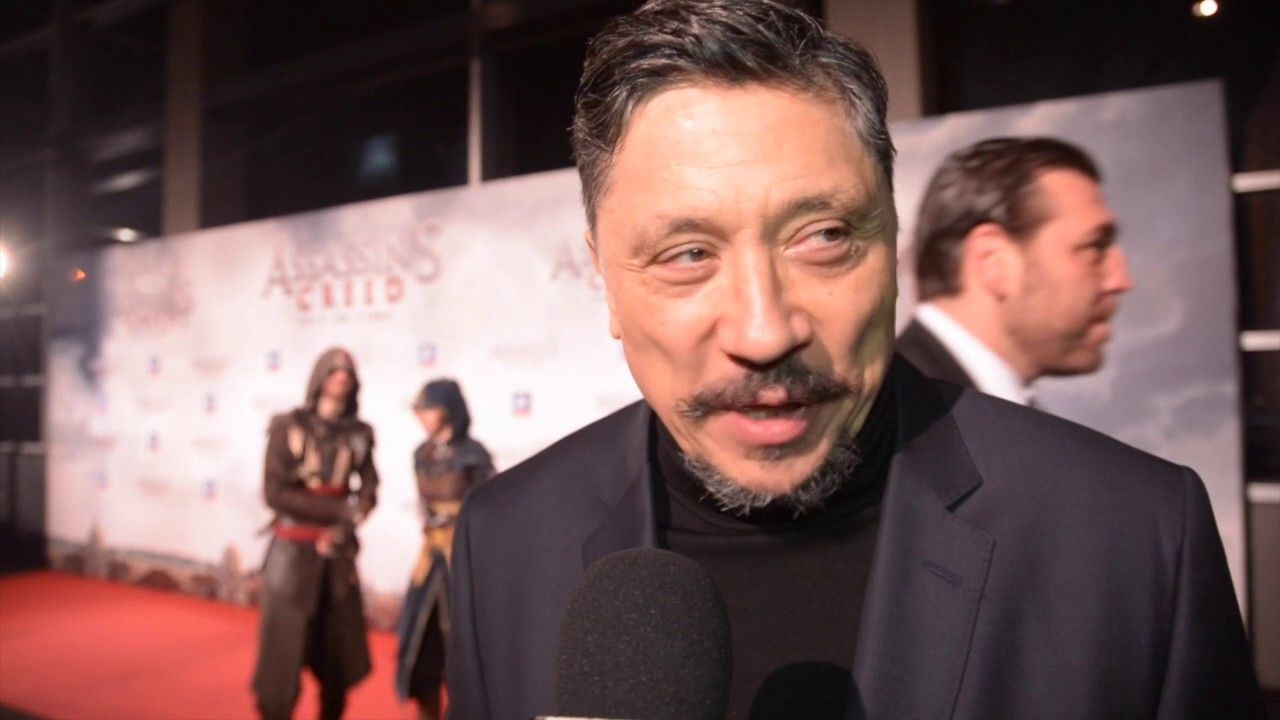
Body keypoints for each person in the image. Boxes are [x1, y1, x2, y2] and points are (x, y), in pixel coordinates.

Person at [443, 1, 1264, 718]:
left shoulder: (1135, 539)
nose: (764, 332)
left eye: (824, 236)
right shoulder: (504, 544)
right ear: (605, 280)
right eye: (687, 254)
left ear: (895, 238)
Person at [897, 137, 1133, 406]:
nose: (1121, 281)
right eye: (1094, 247)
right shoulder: (887, 415)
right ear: (993, 260)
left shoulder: (911, 403)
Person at [252, 347, 379, 720]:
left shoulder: (359, 434)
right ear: (320, 377)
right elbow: (275, 493)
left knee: (337, 658)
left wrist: (348, 521)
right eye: (334, 372)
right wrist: (339, 510)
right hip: (292, 557)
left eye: (347, 375)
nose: (341, 379)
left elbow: (369, 488)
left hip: (337, 559)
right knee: (281, 660)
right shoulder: (287, 427)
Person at [397, 379, 494, 719]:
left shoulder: (473, 455)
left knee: (464, 645)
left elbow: (487, 508)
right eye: (419, 410)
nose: (422, 416)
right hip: (431, 559)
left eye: (429, 408)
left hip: (463, 560)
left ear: (449, 410)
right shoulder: (421, 454)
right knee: (422, 650)